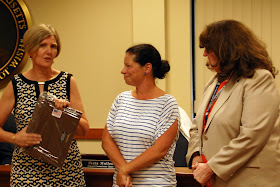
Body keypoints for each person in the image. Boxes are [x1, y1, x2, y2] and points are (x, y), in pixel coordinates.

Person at [186, 19, 280, 187]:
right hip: (214, 178)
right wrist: (196, 156)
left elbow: (252, 136)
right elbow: (196, 127)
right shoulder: (215, 81)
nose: (204, 54)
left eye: (209, 48)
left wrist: (212, 167)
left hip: (248, 180)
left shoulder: (259, 79)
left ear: (225, 49)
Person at [0, 24, 89, 186]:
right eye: (42, 45)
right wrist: (14, 138)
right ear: (30, 49)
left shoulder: (68, 81)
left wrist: (68, 113)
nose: (49, 51)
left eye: (53, 46)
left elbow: (84, 130)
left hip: (66, 171)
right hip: (26, 172)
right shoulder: (16, 84)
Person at [102, 44, 180, 187]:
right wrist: (123, 170)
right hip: (123, 183)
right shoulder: (121, 99)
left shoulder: (167, 103)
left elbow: (159, 150)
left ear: (147, 68)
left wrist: (125, 169)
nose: (123, 71)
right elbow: (107, 140)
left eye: (128, 66)